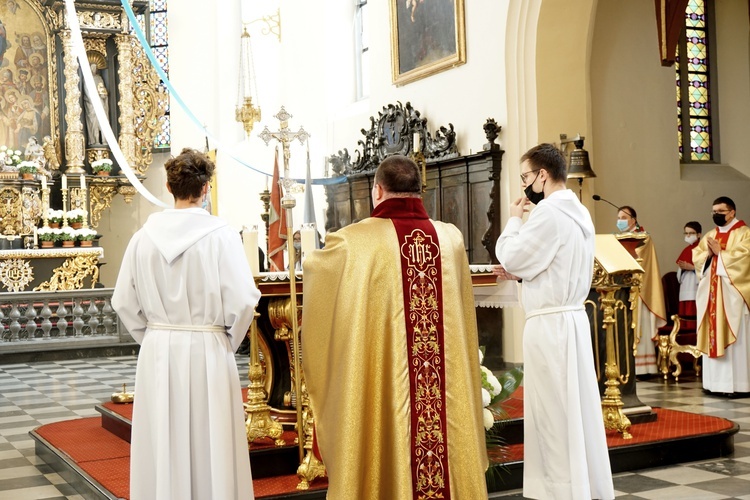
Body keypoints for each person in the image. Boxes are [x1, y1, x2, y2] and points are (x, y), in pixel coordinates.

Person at [302, 155, 488, 499]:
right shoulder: (450, 239)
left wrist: (307, 254)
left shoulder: (353, 241)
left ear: (378, 190)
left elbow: (317, 280)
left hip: (385, 378)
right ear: (419, 191)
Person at [112, 148, 259, 500]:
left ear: (167, 186)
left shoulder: (141, 238)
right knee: (212, 440)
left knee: (164, 436)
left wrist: (152, 336)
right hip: (209, 349)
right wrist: (227, 340)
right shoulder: (221, 236)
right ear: (206, 189)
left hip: (158, 350)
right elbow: (242, 300)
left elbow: (123, 301)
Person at [494, 143, 613, 500]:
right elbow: (551, 264)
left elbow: (511, 254)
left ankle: (561, 491)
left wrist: (515, 219)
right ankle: (582, 485)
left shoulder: (547, 214)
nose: (525, 185)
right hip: (572, 320)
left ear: (542, 175)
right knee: (574, 410)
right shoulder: (579, 211)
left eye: (526, 177)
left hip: (550, 327)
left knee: (553, 413)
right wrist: (523, 276)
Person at [693, 196, 750, 395]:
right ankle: (714, 384)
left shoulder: (745, 234)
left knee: (738, 341)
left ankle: (738, 386)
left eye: (720, 211)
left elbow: (744, 260)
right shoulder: (710, 234)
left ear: (732, 212)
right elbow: (697, 257)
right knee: (713, 333)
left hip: (733, 298)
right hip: (712, 297)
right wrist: (708, 255)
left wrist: (721, 253)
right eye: (714, 212)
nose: (716, 215)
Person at [615, 204, 666, 376]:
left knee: (639, 325)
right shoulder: (617, 238)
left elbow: (637, 258)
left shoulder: (643, 238)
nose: (620, 221)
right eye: (618, 218)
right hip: (621, 288)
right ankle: (626, 366)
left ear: (633, 220)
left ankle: (644, 368)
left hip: (639, 291)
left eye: (624, 218)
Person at [677, 221, 701, 317]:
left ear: (699, 234)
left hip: (696, 288)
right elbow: (679, 274)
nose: (688, 236)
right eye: (686, 233)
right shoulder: (686, 250)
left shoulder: (703, 249)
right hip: (685, 286)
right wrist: (682, 268)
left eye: (691, 233)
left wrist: (692, 268)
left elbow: (708, 270)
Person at [83, 62, 109, 145]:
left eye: (95, 68)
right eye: (92, 67)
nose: (93, 69)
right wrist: (93, 99)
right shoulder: (87, 79)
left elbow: (103, 89)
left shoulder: (99, 78)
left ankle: (104, 140)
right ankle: (95, 140)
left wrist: (103, 95)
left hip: (100, 102)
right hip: (92, 105)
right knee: (93, 122)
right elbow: (87, 92)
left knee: (103, 121)